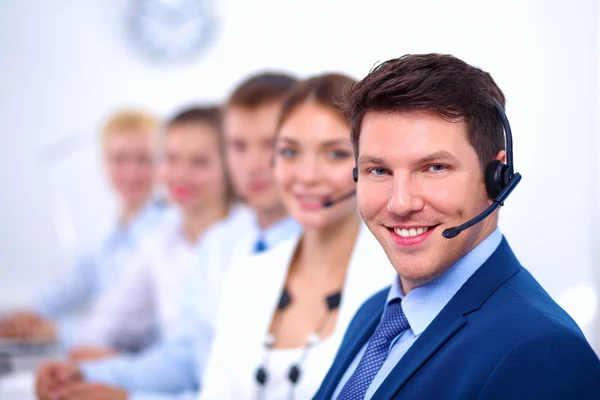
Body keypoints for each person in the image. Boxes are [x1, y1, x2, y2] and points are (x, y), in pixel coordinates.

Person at [313, 53, 600, 400]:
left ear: (497, 178)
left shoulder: (544, 352)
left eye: (434, 168)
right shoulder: (374, 313)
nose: (400, 203)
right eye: (379, 170)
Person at [34, 72, 303, 400]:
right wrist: (85, 375)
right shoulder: (218, 244)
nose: (254, 165)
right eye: (239, 146)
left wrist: (126, 397)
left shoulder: (313, 251)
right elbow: (186, 357)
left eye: (275, 146)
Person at [199, 73, 394, 400]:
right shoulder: (245, 278)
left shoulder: (400, 285)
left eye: (335, 154)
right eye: (290, 152)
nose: (307, 176)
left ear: (372, 165)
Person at [0, 109, 165, 347]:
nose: (131, 172)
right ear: (104, 163)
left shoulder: (167, 232)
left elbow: (139, 326)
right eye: (119, 159)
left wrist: (56, 331)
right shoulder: (111, 237)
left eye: (144, 159)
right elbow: (69, 285)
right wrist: (30, 316)